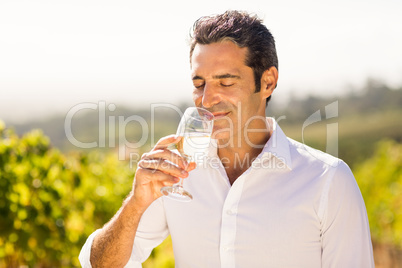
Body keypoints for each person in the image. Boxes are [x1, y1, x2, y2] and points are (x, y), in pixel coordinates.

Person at [79, 10, 374, 267]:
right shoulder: (178, 175)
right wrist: (136, 203)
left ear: (268, 81)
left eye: (226, 81)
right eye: (199, 84)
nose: (207, 99)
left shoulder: (328, 180)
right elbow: (101, 265)